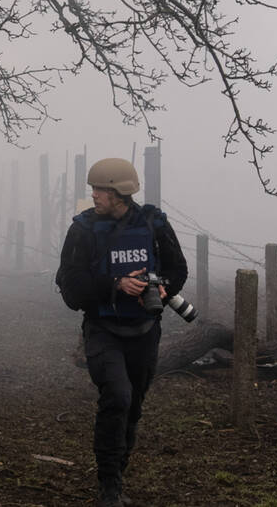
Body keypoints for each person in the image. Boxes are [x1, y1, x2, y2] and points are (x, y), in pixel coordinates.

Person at [53, 157, 188, 506]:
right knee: (117, 397)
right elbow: (70, 288)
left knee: (134, 404)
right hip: (102, 329)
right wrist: (114, 284)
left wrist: (163, 289)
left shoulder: (153, 224)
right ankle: (108, 487)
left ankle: (117, 475)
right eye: (93, 189)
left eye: (101, 190)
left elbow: (177, 268)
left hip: (145, 329)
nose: (94, 195)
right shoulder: (82, 230)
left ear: (121, 193)